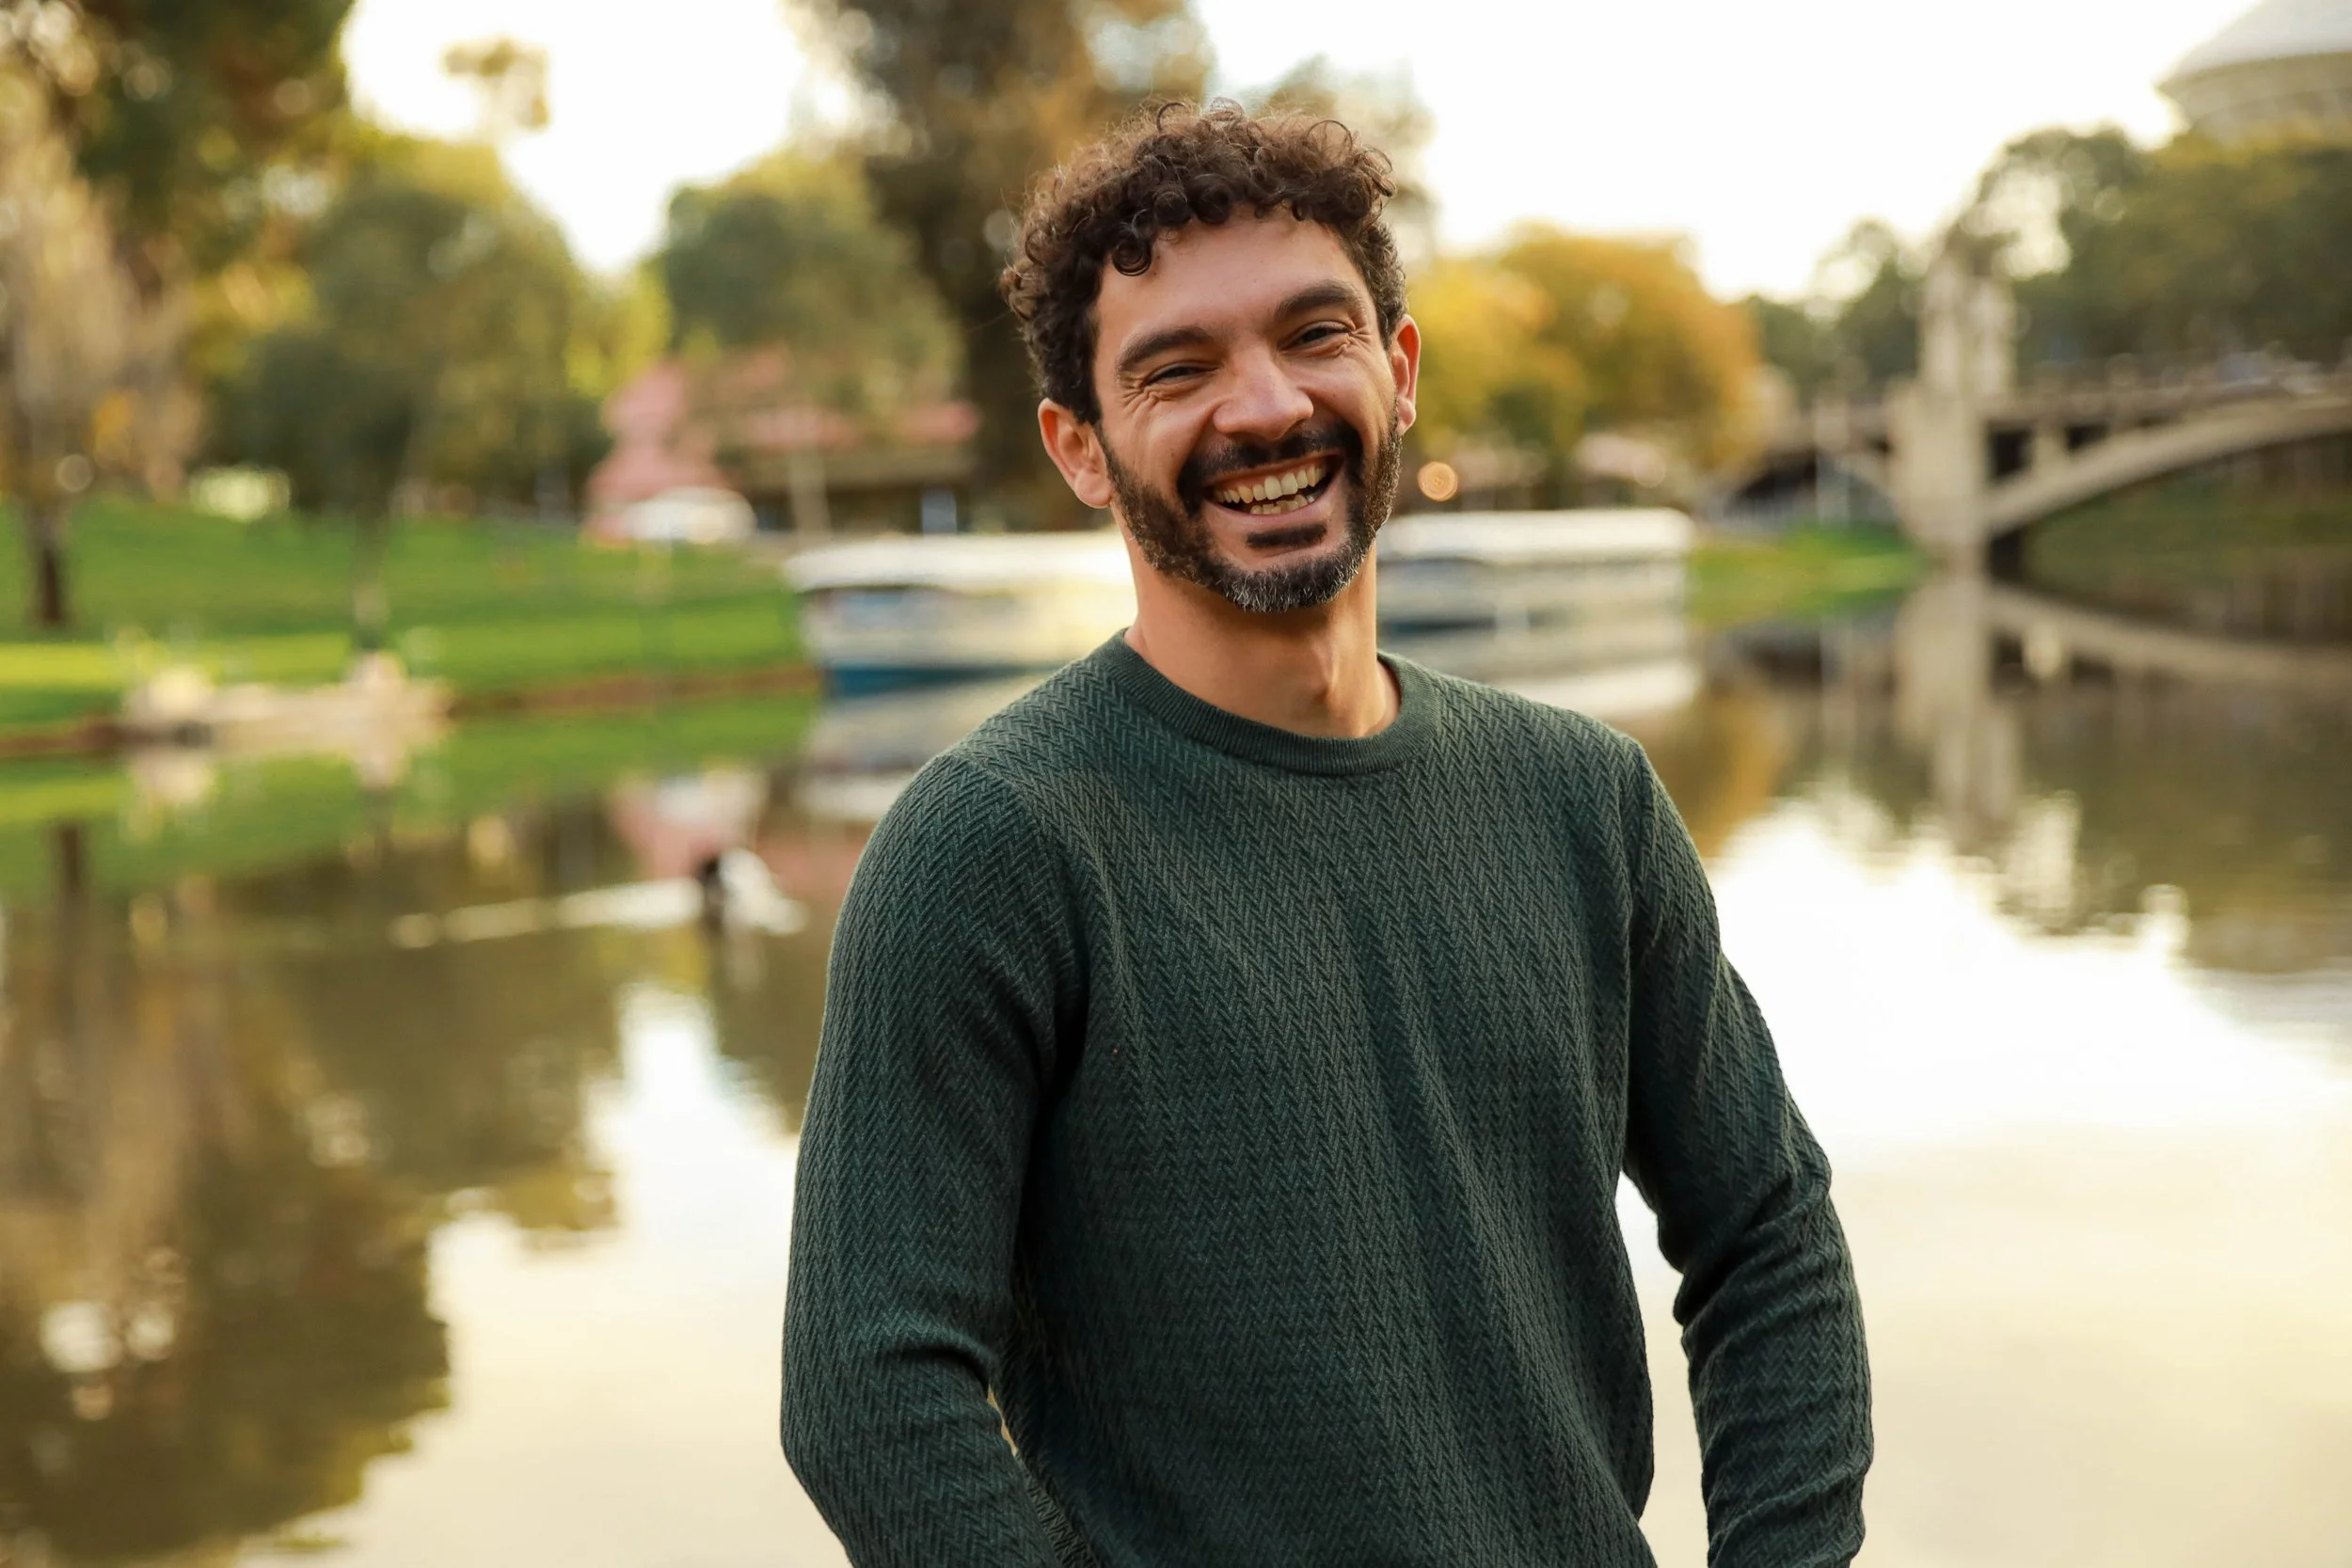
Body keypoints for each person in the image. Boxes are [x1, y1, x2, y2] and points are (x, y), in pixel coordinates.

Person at [781, 103, 1870, 1567]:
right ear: (1081, 448)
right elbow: (867, 1391)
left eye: (1315, 334)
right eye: (1176, 367)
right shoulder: (990, 847)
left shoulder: (1587, 801)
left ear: (1399, 370)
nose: (1265, 408)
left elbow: (1769, 1239)